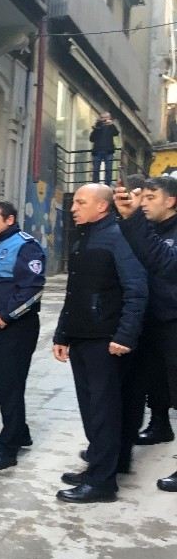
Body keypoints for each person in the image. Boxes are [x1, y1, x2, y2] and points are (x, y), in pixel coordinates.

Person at [53, 184, 147, 503]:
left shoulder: (119, 238)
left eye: (81, 202)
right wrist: (62, 334)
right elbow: (73, 291)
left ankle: (102, 483)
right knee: (91, 409)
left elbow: (136, 289)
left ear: (102, 207)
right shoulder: (83, 237)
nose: (73, 208)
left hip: (105, 341)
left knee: (104, 410)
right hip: (81, 337)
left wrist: (124, 335)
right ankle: (99, 465)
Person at [114, 176, 177, 492]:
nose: (145, 201)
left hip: (172, 322)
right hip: (147, 323)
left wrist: (132, 218)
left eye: (151, 196)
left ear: (171, 201)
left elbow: (163, 263)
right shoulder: (150, 229)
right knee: (140, 387)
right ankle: (125, 449)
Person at [0, 201, 46, 471]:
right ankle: (19, 430)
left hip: (15, 327)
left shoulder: (26, 245)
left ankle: (9, 448)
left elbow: (33, 288)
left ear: (9, 219)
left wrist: (6, 315)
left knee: (11, 383)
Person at [89, 112, 119, 184]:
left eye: (106, 118)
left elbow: (116, 133)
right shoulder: (98, 127)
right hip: (97, 151)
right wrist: (96, 128)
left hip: (108, 151)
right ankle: (95, 184)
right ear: (100, 118)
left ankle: (107, 185)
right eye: (102, 118)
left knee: (108, 169)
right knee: (96, 169)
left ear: (109, 118)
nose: (104, 120)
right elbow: (91, 139)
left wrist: (111, 125)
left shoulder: (111, 127)